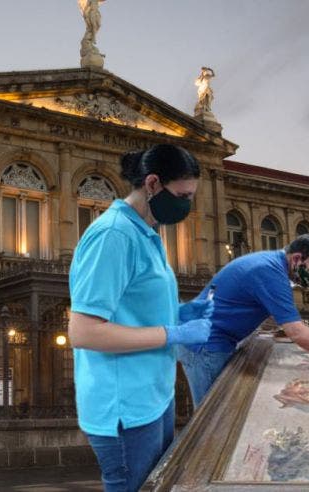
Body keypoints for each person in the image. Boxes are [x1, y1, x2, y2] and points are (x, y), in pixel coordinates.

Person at [68, 144, 214, 492]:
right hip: (125, 406)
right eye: (183, 195)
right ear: (152, 184)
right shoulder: (114, 235)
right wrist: (174, 333)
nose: (187, 205)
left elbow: (135, 311)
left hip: (153, 396)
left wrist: (183, 313)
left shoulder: (148, 234)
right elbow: (85, 332)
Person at [178, 234, 309, 406]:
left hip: (206, 339)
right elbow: (297, 333)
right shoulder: (271, 273)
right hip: (205, 346)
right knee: (212, 418)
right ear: (297, 258)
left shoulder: (270, 263)